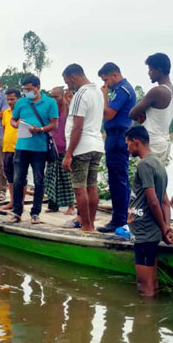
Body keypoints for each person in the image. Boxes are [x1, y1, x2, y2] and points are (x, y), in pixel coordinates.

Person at [125, 126, 173, 297]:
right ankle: (152, 321)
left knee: (144, 285)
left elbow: (153, 201)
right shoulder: (159, 163)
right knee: (152, 280)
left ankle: (145, 319)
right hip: (149, 229)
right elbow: (165, 202)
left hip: (143, 229)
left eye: (128, 143)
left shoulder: (144, 165)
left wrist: (163, 228)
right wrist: (166, 227)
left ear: (136, 142)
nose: (127, 148)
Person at [8, 74, 59, 224]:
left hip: (40, 147)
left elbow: (54, 125)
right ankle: (17, 212)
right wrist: (16, 124)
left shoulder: (49, 103)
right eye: (25, 89)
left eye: (29, 89)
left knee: (39, 180)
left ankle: (35, 213)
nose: (27, 92)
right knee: (18, 180)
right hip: (22, 146)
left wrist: (41, 129)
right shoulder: (21, 102)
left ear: (38, 87)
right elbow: (12, 119)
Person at [61, 64, 105, 232]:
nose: (68, 85)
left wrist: (69, 154)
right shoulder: (98, 93)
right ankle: (91, 224)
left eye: (67, 81)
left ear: (73, 77)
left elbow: (77, 127)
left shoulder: (81, 94)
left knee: (79, 188)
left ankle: (86, 226)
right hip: (96, 145)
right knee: (91, 186)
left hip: (82, 147)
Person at [97, 62, 137, 235]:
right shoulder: (119, 90)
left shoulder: (123, 90)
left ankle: (119, 219)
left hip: (119, 136)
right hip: (113, 135)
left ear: (115, 75)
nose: (105, 84)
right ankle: (120, 217)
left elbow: (109, 114)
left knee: (118, 180)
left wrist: (104, 95)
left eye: (106, 80)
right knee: (115, 179)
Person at [129, 53, 173, 162]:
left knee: (145, 176)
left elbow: (132, 114)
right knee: (157, 177)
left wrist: (142, 115)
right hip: (163, 141)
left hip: (151, 142)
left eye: (150, 69)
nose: (149, 73)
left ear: (158, 70)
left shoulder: (157, 91)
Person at [45, 86, 76, 216]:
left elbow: (73, 120)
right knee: (51, 176)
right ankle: (53, 204)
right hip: (53, 147)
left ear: (62, 95)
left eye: (56, 96)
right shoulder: (52, 108)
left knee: (67, 178)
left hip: (66, 147)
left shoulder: (67, 108)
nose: (54, 99)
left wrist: (68, 101)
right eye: (51, 97)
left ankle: (71, 206)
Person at [0, 88, 27, 210]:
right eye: (8, 99)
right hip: (7, 149)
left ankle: (20, 202)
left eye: (12, 99)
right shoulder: (6, 113)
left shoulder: (24, 112)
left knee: (20, 177)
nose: (10, 101)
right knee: (9, 177)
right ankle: (12, 201)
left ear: (18, 99)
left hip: (20, 149)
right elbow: (4, 129)